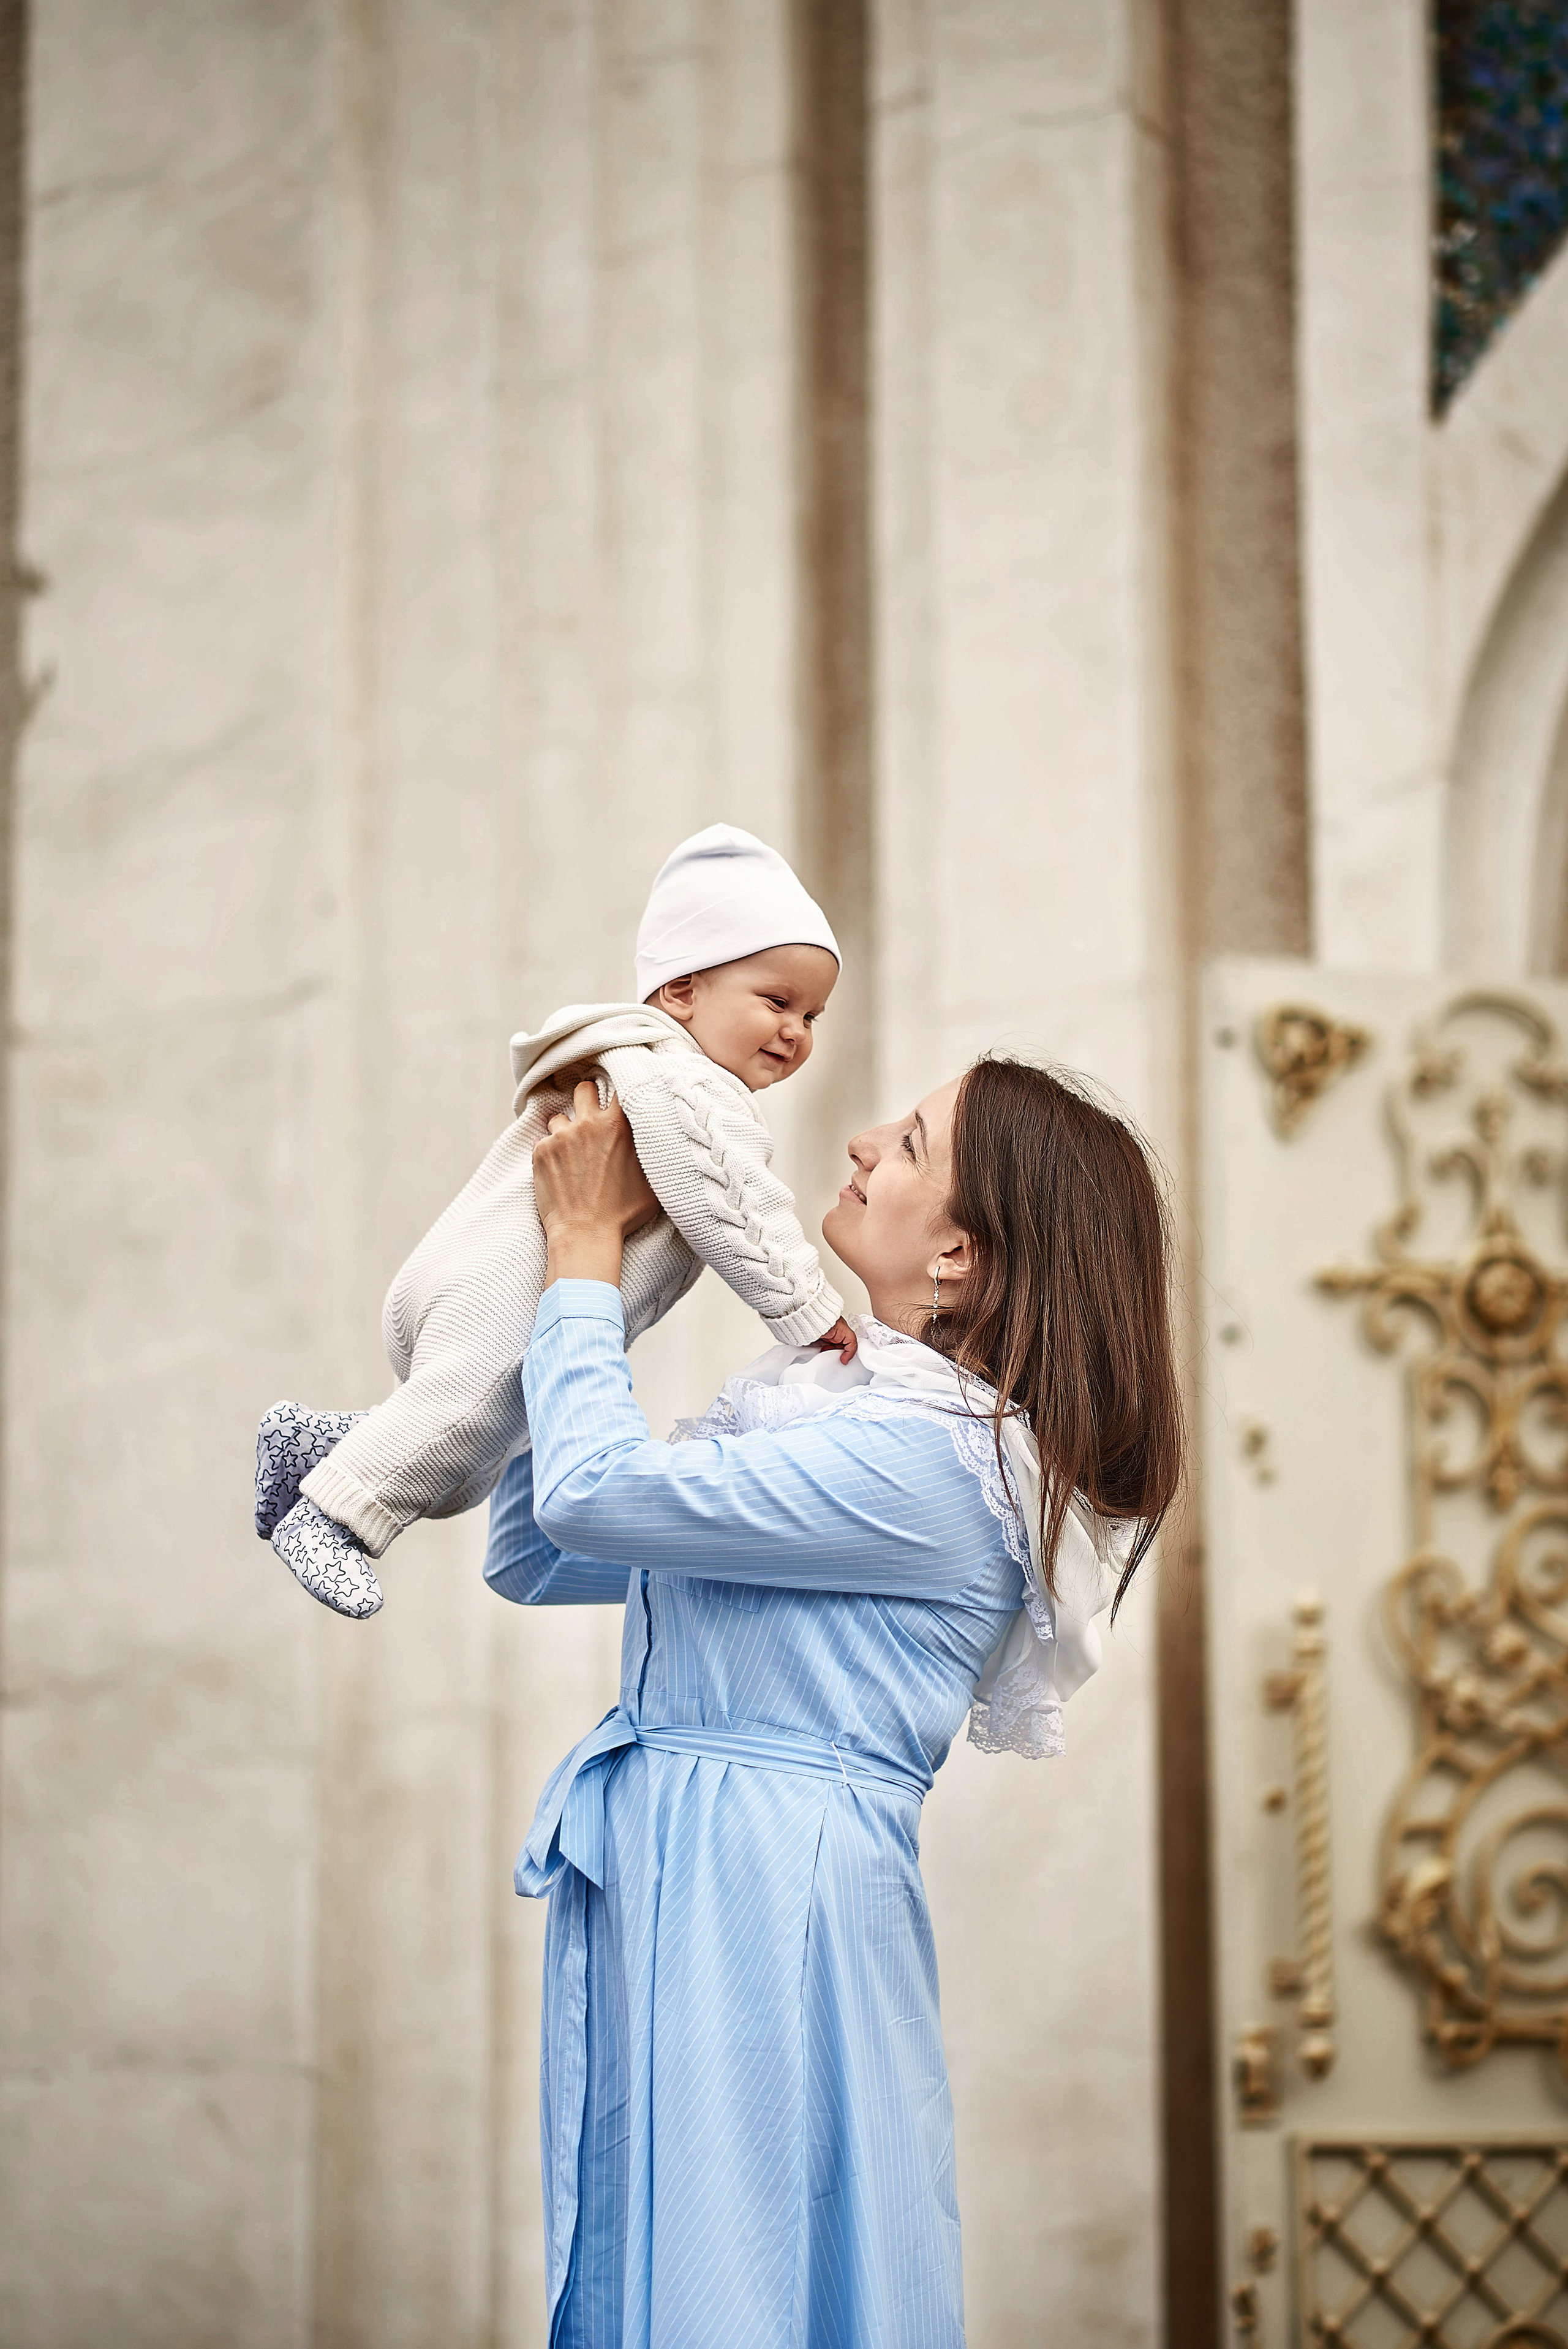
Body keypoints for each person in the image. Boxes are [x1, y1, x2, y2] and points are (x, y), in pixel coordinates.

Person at [486, 1055, 1184, 2347]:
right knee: (668, 2266)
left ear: (961, 1256)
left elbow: (585, 1496)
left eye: (910, 1144)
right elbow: (534, 1547)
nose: (863, 1144)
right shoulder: (830, 1414)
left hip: (764, 1894)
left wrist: (583, 1248)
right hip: (687, 1869)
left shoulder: (932, 1464)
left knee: (736, 2278)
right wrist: (608, 1278)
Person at [252, 825, 856, 1620]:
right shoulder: (692, 1087)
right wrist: (807, 1310)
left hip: (457, 1279)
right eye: (777, 1002)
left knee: (472, 1447)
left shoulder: (626, 1063)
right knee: (468, 1415)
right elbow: (741, 1205)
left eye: (812, 1014)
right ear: (681, 992)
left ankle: (325, 1445)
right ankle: (340, 1514)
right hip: (509, 1295)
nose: (796, 1032)